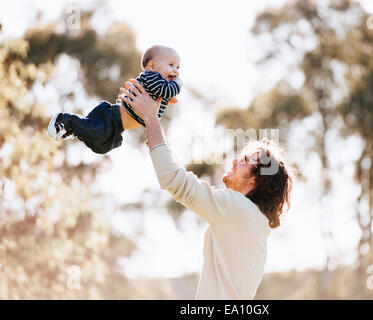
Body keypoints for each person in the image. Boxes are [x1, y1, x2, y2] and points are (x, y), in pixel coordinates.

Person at [118, 79, 293, 299]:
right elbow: (175, 173)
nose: (234, 162)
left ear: (256, 181)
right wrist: (155, 133)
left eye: (246, 160)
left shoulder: (238, 209)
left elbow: (174, 179)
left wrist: (151, 117)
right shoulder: (250, 219)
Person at [47, 45, 182, 154]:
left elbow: (153, 111)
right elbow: (168, 90)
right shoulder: (152, 76)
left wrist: (154, 132)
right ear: (152, 66)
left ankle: (75, 129)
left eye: (178, 67)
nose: (176, 71)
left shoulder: (159, 87)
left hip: (119, 126)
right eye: (171, 65)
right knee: (96, 132)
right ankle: (64, 120)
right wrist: (178, 83)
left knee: (101, 147)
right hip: (112, 117)